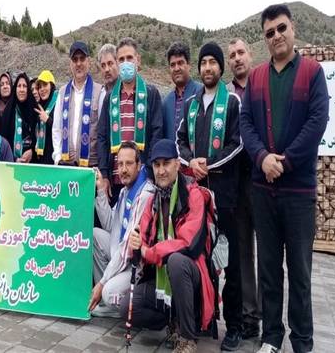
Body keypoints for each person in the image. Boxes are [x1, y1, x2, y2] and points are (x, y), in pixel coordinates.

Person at [240, 4, 329, 353]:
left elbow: (316, 123)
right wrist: (262, 158)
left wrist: (285, 162)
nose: (276, 36)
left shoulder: (312, 73)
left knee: (300, 271)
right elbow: (246, 123)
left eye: (281, 28)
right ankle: (271, 338)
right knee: (269, 270)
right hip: (263, 190)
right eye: (269, 32)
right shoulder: (257, 77)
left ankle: (302, 342)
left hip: (298, 192)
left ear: (293, 29)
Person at [176, 42, 243, 351]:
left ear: (220, 67)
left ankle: (235, 326)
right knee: (199, 256)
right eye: (203, 62)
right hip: (197, 197)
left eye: (212, 62)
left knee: (229, 261)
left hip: (225, 196)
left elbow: (237, 143)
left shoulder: (231, 103)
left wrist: (208, 164)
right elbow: (179, 141)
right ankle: (205, 320)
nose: (207, 68)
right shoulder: (191, 104)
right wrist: (191, 161)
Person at [123, 139, 216, 353]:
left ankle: (188, 338)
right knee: (128, 306)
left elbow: (189, 245)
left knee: (176, 261)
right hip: (161, 276)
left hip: (192, 276)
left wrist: (149, 251)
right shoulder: (153, 199)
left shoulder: (193, 195)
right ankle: (172, 321)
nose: (161, 170)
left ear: (177, 164)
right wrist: (135, 244)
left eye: (166, 163)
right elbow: (140, 241)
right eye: (157, 165)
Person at [90, 141, 154, 318]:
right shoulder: (125, 190)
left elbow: (127, 248)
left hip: (136, 265)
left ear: (139, 165)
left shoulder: (144, 194)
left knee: (108, 292)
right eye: (120, 164)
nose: (123, 169)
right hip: (121, 257)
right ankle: (106, 297)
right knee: (95, 235)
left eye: (129, 164)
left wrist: (102, 283)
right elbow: (110, 225)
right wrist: (101, 191)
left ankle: (115, 301)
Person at [98, 37, 163, 205]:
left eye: (129, 58)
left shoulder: (151, 94)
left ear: (137, 60)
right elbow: (102, 137)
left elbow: (157, 132)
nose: (125, 63)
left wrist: (149, 170)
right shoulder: (109, 99)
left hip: (143, 177)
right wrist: (104, 175)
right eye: (121, 59)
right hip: (115, 178)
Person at [227, 38, 261, 339]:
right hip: (236, 183)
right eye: (232, 55)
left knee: (269, 253)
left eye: (241, 53)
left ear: (250, 55)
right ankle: (249, 317)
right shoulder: (225, 96)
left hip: (263, 180)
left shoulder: (263, 87)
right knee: (242, 253)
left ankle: (270, 317)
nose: (237, 58)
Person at [52, 41, 103, 167]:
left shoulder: (100, 91)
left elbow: (103, 133)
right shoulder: (62, 93)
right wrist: (58, 158)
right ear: (70, 64)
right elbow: (57, 128)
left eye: (82, 59)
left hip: (92, 165)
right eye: (75, 59)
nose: (78, 63)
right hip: (67, 164)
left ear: (88, 61)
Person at [162, 42, 202, 141]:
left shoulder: (201, 93)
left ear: (189, 65)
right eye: (172, 65)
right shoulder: (166, 102)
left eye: (180, 63)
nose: (176, 68)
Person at [0, 73, 35, 163]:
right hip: (12, 162)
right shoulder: (9, 111)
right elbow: (3, 140)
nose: (21, 89)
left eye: (24, 86)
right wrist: (15, 159)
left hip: (33, 163)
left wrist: (32, 151)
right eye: (19, 86)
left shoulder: (34, 109)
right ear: (15, 89)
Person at [33, 70, 57, 165]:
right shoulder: (40, 105)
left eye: (45, 85)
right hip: (42, 158)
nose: (42, 89)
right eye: (40, 87)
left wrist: (48, 120)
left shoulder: (59, 103)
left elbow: (62, 130)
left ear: (52, 86)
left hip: (54, 158)